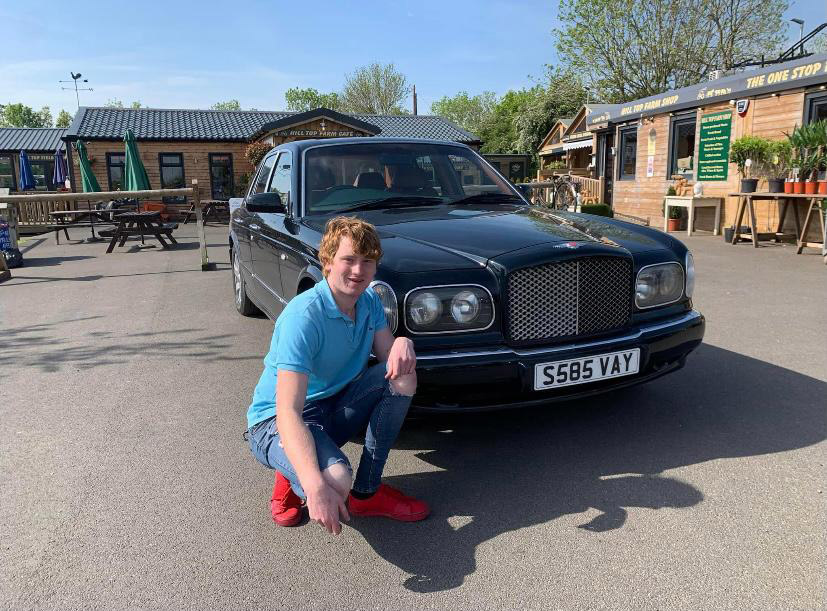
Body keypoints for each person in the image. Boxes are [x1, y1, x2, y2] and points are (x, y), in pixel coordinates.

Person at [246, 216, 429, 535]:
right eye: (349, 260)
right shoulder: (303, 318)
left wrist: (402, 342)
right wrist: (315, 486)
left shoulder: (369, 300)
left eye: (367, 262)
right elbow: (288, 412)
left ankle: (367, 493)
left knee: (404, 377)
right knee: (334, 481)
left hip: (333, 404)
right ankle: (291, 467)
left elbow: (389, 361)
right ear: (328, 262)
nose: (358, 271)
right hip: (277, 420)